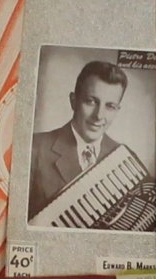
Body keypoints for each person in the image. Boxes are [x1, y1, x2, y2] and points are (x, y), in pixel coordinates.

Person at [26, 60, 133, 219]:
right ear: (73, 101)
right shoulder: (33, 149)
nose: (99, 116)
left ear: (117, 110)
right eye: (91, 101)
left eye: (110, 106)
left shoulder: (124, 158)